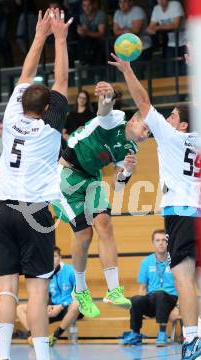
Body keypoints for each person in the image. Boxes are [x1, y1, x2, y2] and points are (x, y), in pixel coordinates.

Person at [0, 8, 71, 360]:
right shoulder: (50, 127)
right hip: (36, 213)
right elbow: (62, 79)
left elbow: (28, 76)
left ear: (23, 102)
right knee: (37, 289)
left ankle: (2, 359)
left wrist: (39, 36)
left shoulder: (10, 113)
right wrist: (61, 36)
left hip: (4, 211)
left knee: (6, 288)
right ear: (47, 108)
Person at [109, 54, 201, 360]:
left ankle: (192, 340)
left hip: (180, 215)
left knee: (184, 279)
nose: (169, 118)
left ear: (183, 124)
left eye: (173, 115)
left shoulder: (172, 137)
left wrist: (128, 70)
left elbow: (143, 101)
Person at [52, 80, 151, 319]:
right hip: (65, 176)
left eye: (150, 134)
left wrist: (127, 172)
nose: (147, 136)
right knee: (84, 235)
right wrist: (107, 99)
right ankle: (81, 290)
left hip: (91, 178)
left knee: (105, 223)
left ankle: (113, 290)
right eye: (146, 130)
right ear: (134, 120)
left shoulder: (131, 150)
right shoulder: (116, 118)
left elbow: (118, 185)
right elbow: (103, 112)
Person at [121, 229, 179, 346]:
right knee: (135, 299)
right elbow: (142, 288)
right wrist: (140, 306)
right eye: (157, 240)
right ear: (153, 243)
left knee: (160, 294)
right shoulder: (146, 261)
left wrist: (177, 308)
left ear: (168, 243)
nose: (161, 243)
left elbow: (182, 286)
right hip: (153, 300)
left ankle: (162, 334)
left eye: (164, 240)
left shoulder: (175, 260)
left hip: (171, 300)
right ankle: (136, 333)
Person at [16, 247, 83, 346]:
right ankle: (34, 336)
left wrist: (61, 306)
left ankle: (55, 336)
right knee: (20, 308)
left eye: (55, 256)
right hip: (52, 308)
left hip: (69, 308)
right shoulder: (44, 274)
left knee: (76, 304)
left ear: (60, 257)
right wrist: (46, 306)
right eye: (49, 257)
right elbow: (43, 295)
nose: (52, 259)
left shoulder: (70, 271)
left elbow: (80, 294)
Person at [146, 0, 187, 76]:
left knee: (185, 71)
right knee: (170, 72)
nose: (161, 1)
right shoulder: (156, 9)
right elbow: (150, 28)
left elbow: (175, 25)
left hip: (185, 42)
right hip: (171, 43)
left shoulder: (175, 4)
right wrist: (153, 29)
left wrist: (157, 28)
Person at [77, 0, 107, 66]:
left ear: (94, 5)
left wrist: (86, 33)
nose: (86, 8)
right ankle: (83, 64)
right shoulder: (82, 16)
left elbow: (101, 34)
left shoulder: (100, 14)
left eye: (89, 5)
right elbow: (85, 31)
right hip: (90, 41)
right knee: (82, 41)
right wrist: (81, 31)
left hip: (102, 41)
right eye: (84, 5)